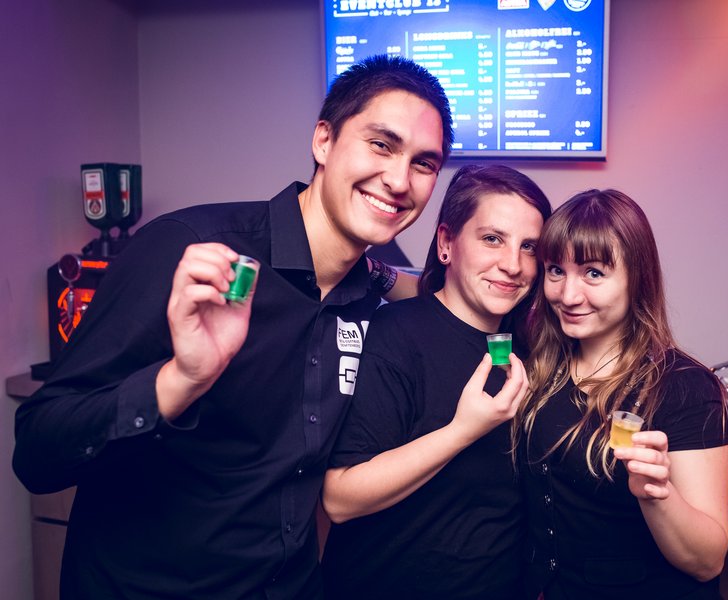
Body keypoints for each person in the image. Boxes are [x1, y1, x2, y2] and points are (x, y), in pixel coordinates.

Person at [13, 54, 453, 599]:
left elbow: (413, 284)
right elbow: (37, 452)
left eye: (424, 164)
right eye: (381, 144)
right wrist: (181, 381)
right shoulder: (189, 250)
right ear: (323, 141)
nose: (399, 180)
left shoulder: (364, 289)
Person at [320, 164, 552, 600]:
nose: (512, 265)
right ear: (447, 243)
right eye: (492, 239)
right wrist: (462, 431)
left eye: (529, 248)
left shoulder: (531, 347)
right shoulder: (395, 334)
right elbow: (340, 498)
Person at [512, 189, 728, 599]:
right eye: (556, 270)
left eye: (593, 273)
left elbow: (708, 561)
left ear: (637, 280)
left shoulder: (684, 387)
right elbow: (461, 297)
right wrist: (384, 273)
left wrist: (658, 495)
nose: (568, 295)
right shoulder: (544, 361)